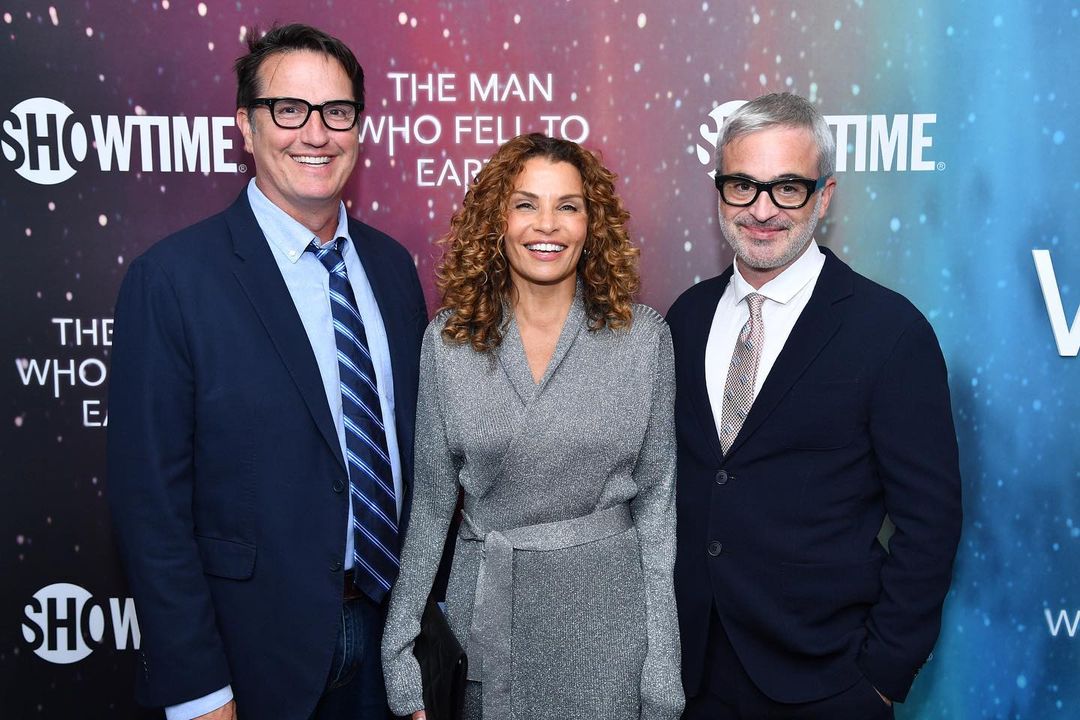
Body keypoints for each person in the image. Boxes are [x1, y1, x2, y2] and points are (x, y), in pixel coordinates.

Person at [106, 24, 427, 720]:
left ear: (359, 127)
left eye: (336, 112)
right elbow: (149, 506)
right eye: (288, 109)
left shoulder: (392, 268)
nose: (316, 133)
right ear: (246, 127)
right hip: (250, 658)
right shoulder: (173, 281)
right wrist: (198, 691)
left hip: (390, 647)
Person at [667, 92, 962, 719]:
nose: (762, 209)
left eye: (788, 188)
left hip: (828, 682)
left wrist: (882, 675)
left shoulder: (890, 332)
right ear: (719, 192)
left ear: (824, 197)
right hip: (692, 677)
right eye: (742, 186)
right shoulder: (685, 319)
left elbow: (930, 522)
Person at [381, 133, 684, 720]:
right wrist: (400, 656)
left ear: (592, 224)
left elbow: (657, 512)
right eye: (526, 204)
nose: (547, 225)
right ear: (498, 220)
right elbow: (431, 510)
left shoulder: (644, 339)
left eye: (567, 206)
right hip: (485, 623)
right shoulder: (448, 343)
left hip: (608, 634)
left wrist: (663, 669)